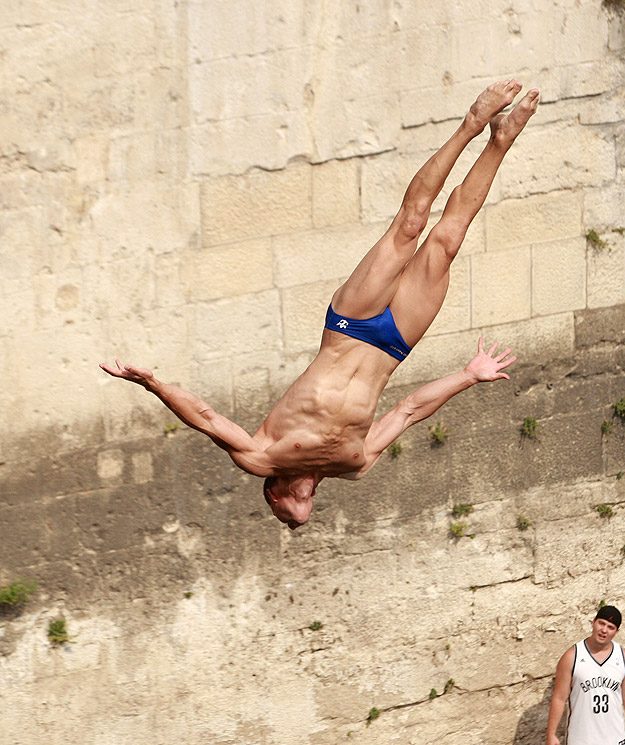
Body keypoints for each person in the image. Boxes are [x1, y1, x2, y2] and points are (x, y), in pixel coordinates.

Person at [101, 80, 540, 529]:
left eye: (288, 513)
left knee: (410, 225)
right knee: (447, 241)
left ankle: (473, 122)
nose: (300, 512)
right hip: (395, 344)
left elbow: (207, 418)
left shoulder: (262, 455)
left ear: (273, 496)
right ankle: (502, 140)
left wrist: (154, 385)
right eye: (304, 512)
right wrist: (467, 376)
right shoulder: (355, 463)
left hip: (351, 326)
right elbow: (407, 410)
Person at [546, 606, 625, 745]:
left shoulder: (623, 657)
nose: (604, 630)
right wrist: (551, 734)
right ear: (593, 623)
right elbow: (559, 698)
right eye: (601, 624)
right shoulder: (572, 656)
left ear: (616, 631)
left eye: (610, 627)